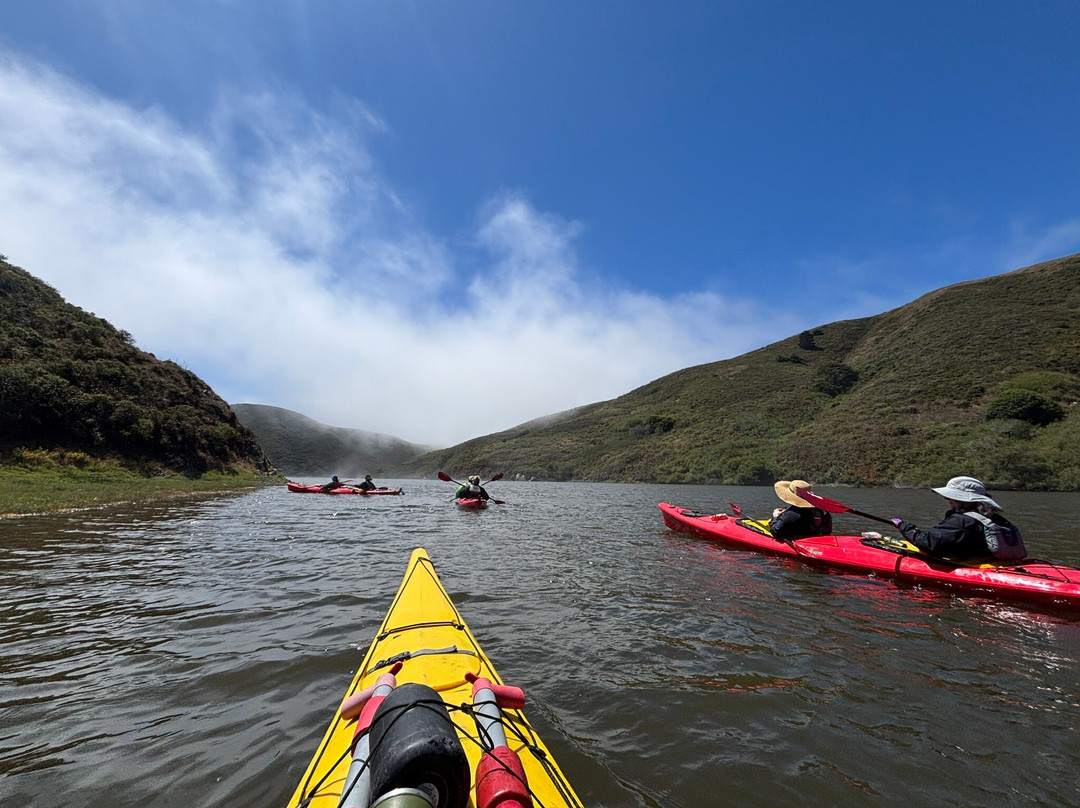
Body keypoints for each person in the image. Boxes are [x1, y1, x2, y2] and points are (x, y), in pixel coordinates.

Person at [890, 476, 1025, 560]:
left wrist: (903, 526)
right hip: (987, 561)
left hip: (971, 566)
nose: (948, 500)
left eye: (951, 497)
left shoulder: (960, 520)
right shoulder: (995, 518)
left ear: (965, 500)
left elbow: (929, 544)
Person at [768, 479, 833, 540]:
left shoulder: (793, 513)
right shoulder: (820, 510)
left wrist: (775, 517)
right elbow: (827, 531)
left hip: (798, 540)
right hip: (813, 537)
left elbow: (775, 532)